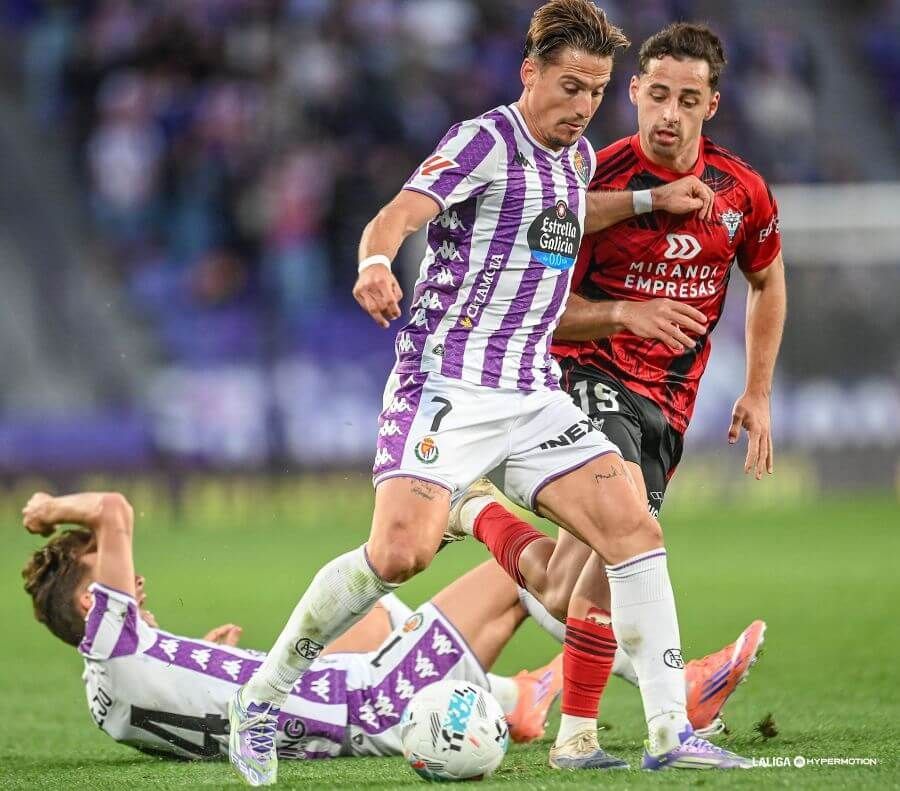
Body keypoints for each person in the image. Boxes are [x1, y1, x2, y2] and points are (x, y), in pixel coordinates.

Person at [229, 1, 748, 785]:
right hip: (448, 384)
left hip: (533, 393)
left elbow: (567, 210)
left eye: (596, 91)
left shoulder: (575, 159)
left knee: (633, 528)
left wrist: (648, 200)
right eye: (569, 87)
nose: (583, 106)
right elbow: (398, 214)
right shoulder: (484, 141)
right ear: (529, 72)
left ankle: (671, 729)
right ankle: (262, 699)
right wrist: (374, 264)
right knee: (398, 554)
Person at [446, 21, 784, 769]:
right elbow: (536, 305)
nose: (669, 114)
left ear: (712, 105)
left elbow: (767, 277)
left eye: (687, 100)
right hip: (585, 380)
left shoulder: (741, 191)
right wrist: (624, 313)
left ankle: (471, 511)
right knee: (631, 530)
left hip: (669, 405)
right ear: (633, 91)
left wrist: (757, 390)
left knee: (568, 586)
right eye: (657, 94)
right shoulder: (589, 181)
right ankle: (645, 732)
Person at [20, 490, 563, 764]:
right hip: (371, 701)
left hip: (332, 715)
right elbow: (112, 509)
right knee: (520, 568)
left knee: (372, 617)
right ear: (92, 602)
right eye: (106, 568)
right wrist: (49, 508)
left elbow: (184, 714)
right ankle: (579, 672)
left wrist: (207, 663)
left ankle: (516, 698)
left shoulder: (107, 699)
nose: (133, 578)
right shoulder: (114, 641)